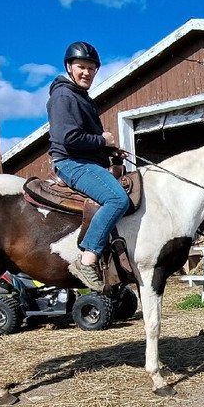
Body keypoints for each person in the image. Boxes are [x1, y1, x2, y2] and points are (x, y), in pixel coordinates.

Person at [47, 41, 129, 291]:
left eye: (91, 68)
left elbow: (84, 137)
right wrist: (103, 140)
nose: (86, 73)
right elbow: (68, 138)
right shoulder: (64, 96)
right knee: (117, 199)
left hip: (87, 160)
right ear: (69, 67)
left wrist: (109, 150)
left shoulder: (81, 97)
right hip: (71, 162)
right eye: (81, 67)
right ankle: (87, 259)